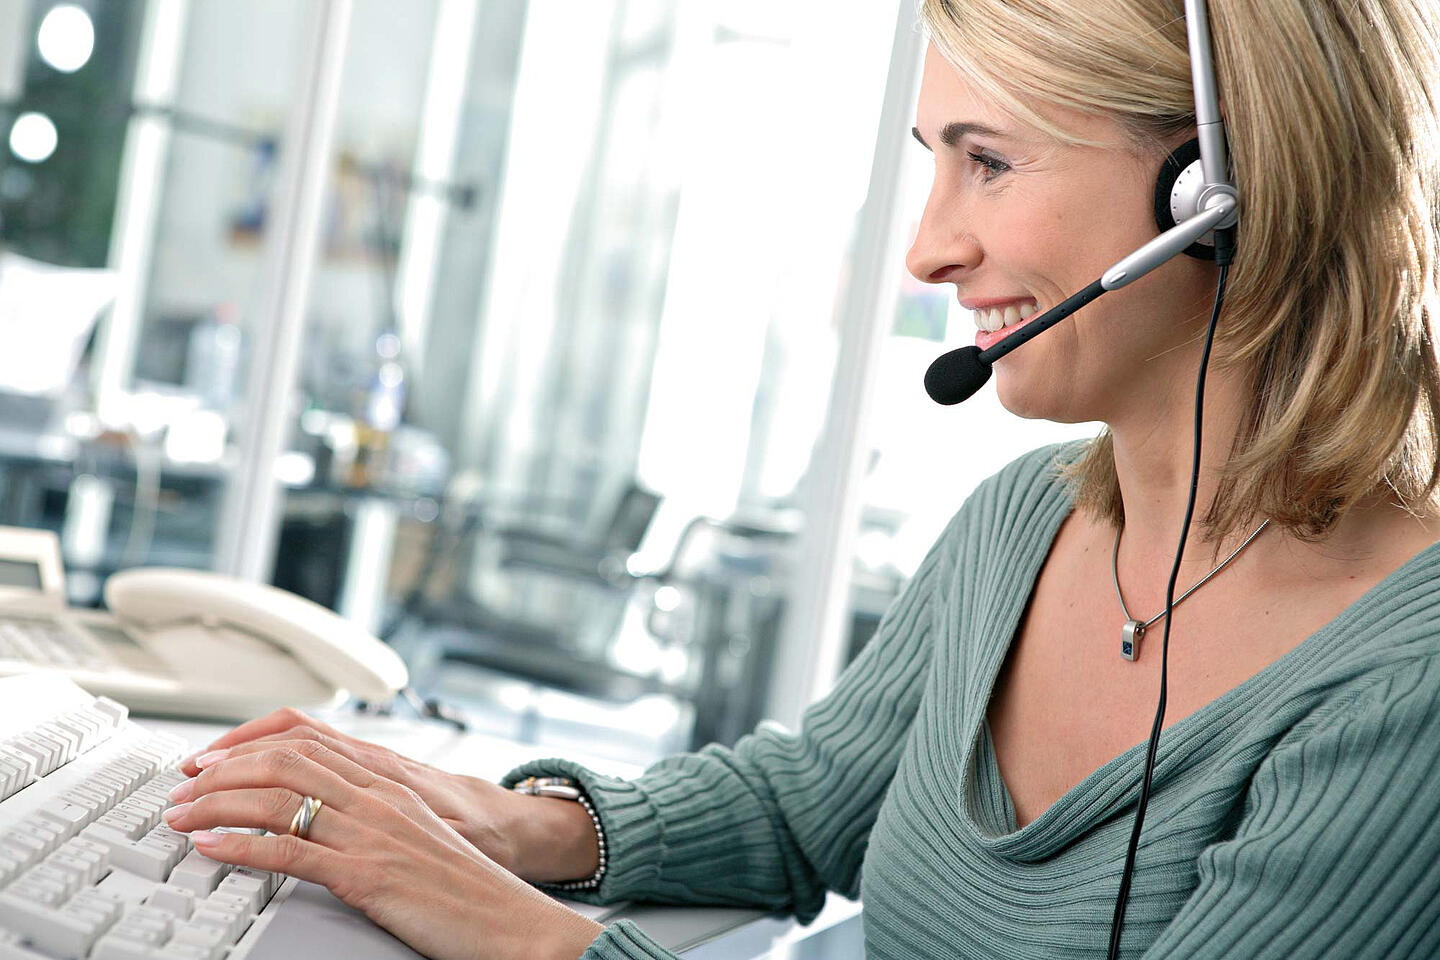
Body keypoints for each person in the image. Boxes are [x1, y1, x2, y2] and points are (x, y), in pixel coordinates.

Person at [158, 0, 1440, 957]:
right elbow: (810, 803)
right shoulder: (1027, 524)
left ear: (1215, 190)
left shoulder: (1405, 683)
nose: (930, 252)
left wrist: (530, 938)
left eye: (988, 162)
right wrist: (516, 826)